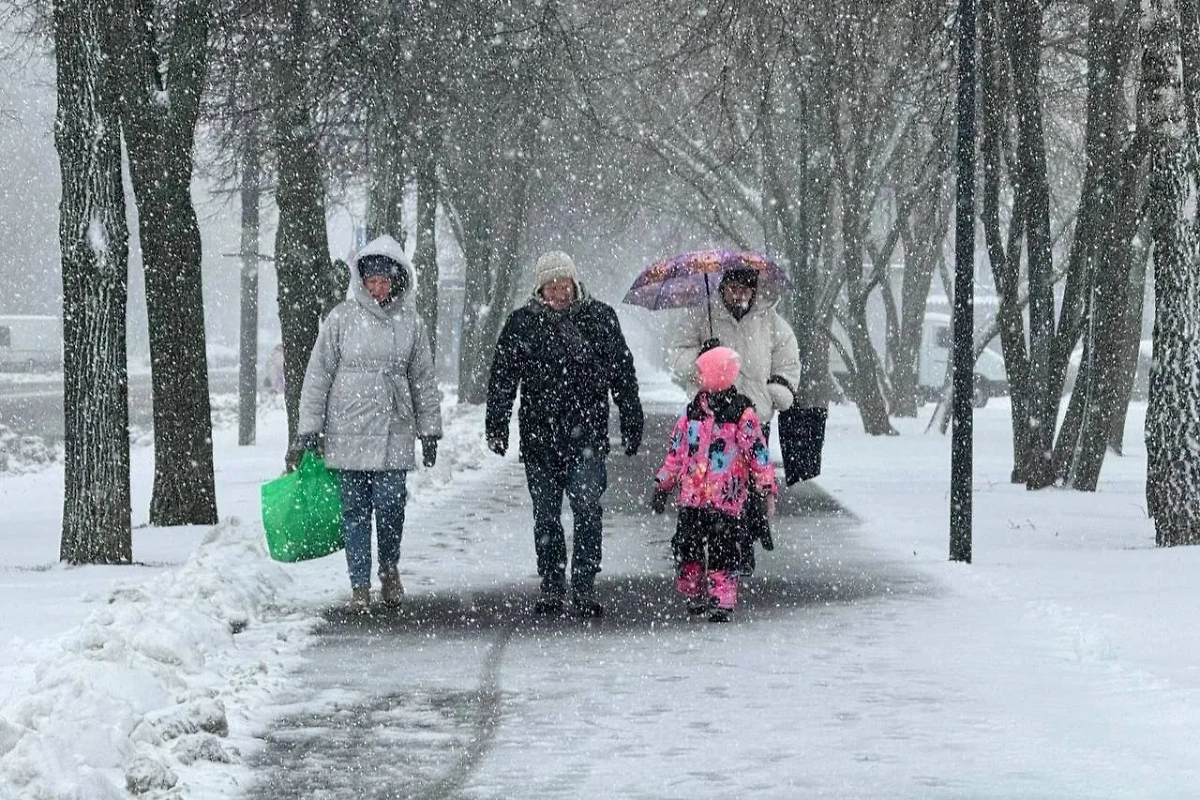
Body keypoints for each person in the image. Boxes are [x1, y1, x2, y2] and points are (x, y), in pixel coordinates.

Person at [485, 250, 644, 618]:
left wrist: (631, 417)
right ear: (540, 289)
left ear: (575, 283)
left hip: (586, 435)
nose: (559, 293)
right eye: (551, 287)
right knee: (546, 515)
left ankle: (584, 582)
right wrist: (496, 424)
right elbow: (503, 379)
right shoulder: (522, 324)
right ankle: (552, 583)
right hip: (539, 438)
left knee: (587, 509)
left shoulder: (600, 319)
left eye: (564, 285)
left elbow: (622, 373)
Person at [292, 234, 442, 612]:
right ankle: (359, 584)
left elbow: (423, 379)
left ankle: (389, 568)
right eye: (371, 281)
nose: (377, 288)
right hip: (347, 429)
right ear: (361, 282)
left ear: (396, 281)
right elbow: (318, 374)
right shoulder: (341, 319)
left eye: (384, 281)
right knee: (355, 512)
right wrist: (309, 425)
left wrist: (429, 430)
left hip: (394, 427)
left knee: (391, 505)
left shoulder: (412, 324)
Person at [666, 267, 800, 573]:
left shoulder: (769, 320)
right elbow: (676, 354)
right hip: (713, 418)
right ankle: (717, 543)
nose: (740, 295)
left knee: (752, 485)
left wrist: (775, 390)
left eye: (746, 289)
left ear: (754, 291)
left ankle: (744, 542)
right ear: (723, 288)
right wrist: (702, 359)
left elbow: (788, 358)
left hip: (754, 415)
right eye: (734, 288)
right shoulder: (703, 316)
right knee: (716, 485)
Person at [651, 346, 778, 622]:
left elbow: (757, 453)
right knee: (687, 548)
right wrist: (664, 483)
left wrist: (765, 486)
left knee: (724, 551)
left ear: (717, 374)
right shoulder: (692, 413)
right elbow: (677, 452)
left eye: (701, 371)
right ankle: (693, 591)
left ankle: (722, 600)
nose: (697, 377)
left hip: (726, 499)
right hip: (692, 497)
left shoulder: (741, 414)